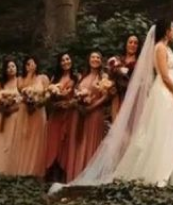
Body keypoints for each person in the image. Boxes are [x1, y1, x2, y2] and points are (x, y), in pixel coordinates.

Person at [112, 19, 173, 186]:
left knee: (170, 130)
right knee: (162, 131)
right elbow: (164, 75)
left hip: (169, 91)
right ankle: (158, 171)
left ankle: (171, 170)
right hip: (165, 92)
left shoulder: (167, 48)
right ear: (166, 31)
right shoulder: (159, 48)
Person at [65, 50, 111, 181]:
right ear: (89, 60)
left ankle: (89, 177)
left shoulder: (104, 78)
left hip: (95, 114)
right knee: (79, 143)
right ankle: (75, 175)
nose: (95, 59)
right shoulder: (82, 76)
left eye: (98, 57)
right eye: (93, 57)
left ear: (101, 61)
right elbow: (75, 93)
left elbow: (105, 97)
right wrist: (78, 103)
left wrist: (92, 106)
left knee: (91, 142)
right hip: (79, 114)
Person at [13, 55, 50, 176]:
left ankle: (34, 171)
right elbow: (20, 91)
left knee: (37, 140)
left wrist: (37, 104)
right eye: (28, 64)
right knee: (24, 138)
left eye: (33, 63)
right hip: (24, 112)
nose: (30, 66)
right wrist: (27, 100)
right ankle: (20, 170)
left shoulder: (43, 78)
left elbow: (47, 96)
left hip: (38, 112)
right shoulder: (20, 79)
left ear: (37, 64)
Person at [45, 52, 77, 181]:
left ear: (71, 61)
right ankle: (51, 169)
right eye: (62, 60)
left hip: (69, 115)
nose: (65, 62)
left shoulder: (76, 78)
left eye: (67, 59)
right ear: (59, 63)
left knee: (65, 143)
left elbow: (77, 97)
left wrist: (68, 103)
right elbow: (48, 99)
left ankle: (63, 171)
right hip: (56, 115)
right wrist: (54, 97)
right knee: (53, 142)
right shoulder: (55, 79)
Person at [109, 35, 139, 120]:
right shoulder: (117, 60)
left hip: (132, 100)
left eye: (135, 43)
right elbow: (111, 78)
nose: (133, 45)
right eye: (130, 42)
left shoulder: (139, 63)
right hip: (117, 97)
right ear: (126, 44)